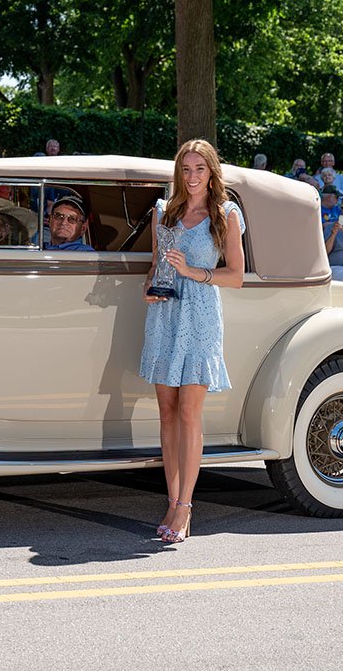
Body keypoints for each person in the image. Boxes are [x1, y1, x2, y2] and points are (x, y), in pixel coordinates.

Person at [140, 139, 245, 545]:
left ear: (212, 172)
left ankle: (185, 507)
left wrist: (195, 271)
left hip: (200, 315)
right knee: (166, 411)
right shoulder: (164, 212)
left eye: (200, 168)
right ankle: (170, 499)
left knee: (189, 413)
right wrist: (150, 286)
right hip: (164, 316)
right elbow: (155, 266)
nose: (192, 176)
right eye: (186, 169)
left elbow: (235, 275)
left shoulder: (225, 215)